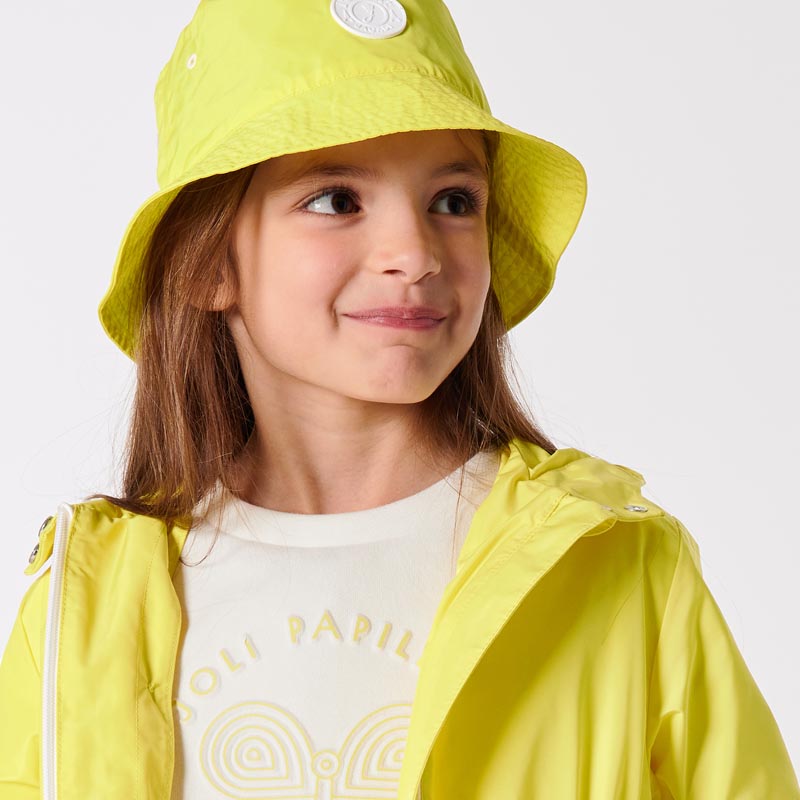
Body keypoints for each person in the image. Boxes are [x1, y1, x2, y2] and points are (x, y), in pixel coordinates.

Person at [0, 0, 797, 797]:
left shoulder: (618, 565)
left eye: (453, 201)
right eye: (335, 200)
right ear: (205, 263)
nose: (414, 254)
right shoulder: (83, 607)